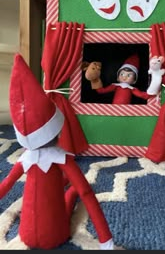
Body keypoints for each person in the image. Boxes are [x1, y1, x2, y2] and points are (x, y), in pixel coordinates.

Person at [0, 53, 114, 250]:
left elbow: (5, 186)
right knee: (72, 194)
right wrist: (106, 241)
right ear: (55, 129)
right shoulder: (63, 160)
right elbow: (86, 192)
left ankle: (67, 184)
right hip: (56, 233)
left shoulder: (25, 159)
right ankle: (69, 185)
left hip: (25, 233)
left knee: (65, 190)